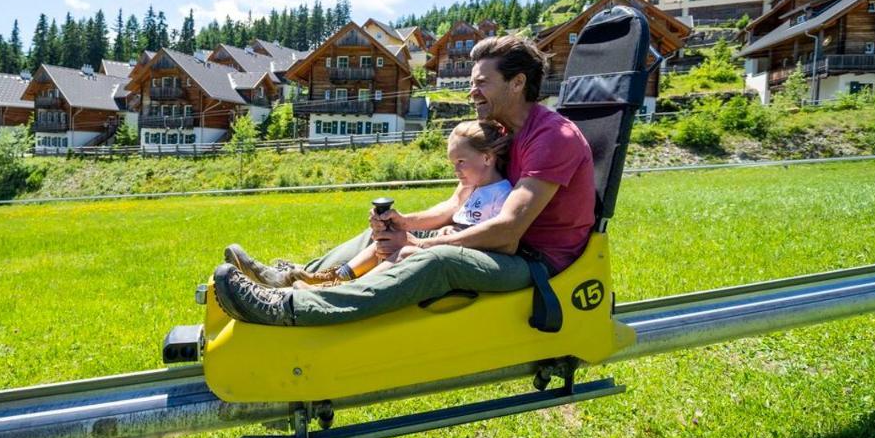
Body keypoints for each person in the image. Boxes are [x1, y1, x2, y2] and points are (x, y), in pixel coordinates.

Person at [213, 34, 596, 326]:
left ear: (517, 83)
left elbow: (508, 230)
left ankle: (294, 308)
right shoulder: (500, 132)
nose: (471, 90)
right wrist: (405, 225)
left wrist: (424, 245)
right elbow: (458, 203)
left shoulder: (552, 138)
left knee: (440, 260)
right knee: (380, 235)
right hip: (497, 243)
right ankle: (290, 278)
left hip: (533, 260)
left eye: (482, 82)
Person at [286, 120, 512, 289]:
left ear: (487, 157)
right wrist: (402, 222)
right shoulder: (472, 187)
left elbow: (493, 236)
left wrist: (451, 235)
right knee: (389, 237)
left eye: (461, 162)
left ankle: (347, 289)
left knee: (404, 252)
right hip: (446, 243)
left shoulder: (501, 194)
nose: (456, 170)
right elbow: (453, 209)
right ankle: (338, 276)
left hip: (462, 253)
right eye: (453, 163)